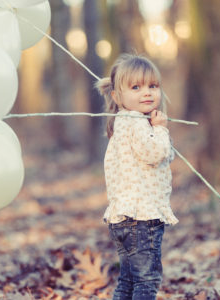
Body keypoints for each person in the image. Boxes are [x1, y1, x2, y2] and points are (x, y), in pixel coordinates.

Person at [95, 53, 179, 300]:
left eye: (153, 86)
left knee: (128, 281)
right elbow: (157, 153)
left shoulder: (122, 122)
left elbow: (159, 155)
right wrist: (161, 130)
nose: (147, 92)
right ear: (117, 96)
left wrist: (156, 130)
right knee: (147, 281)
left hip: (122, 217)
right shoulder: (136, 123)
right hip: (142, 218)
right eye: (136, 87)